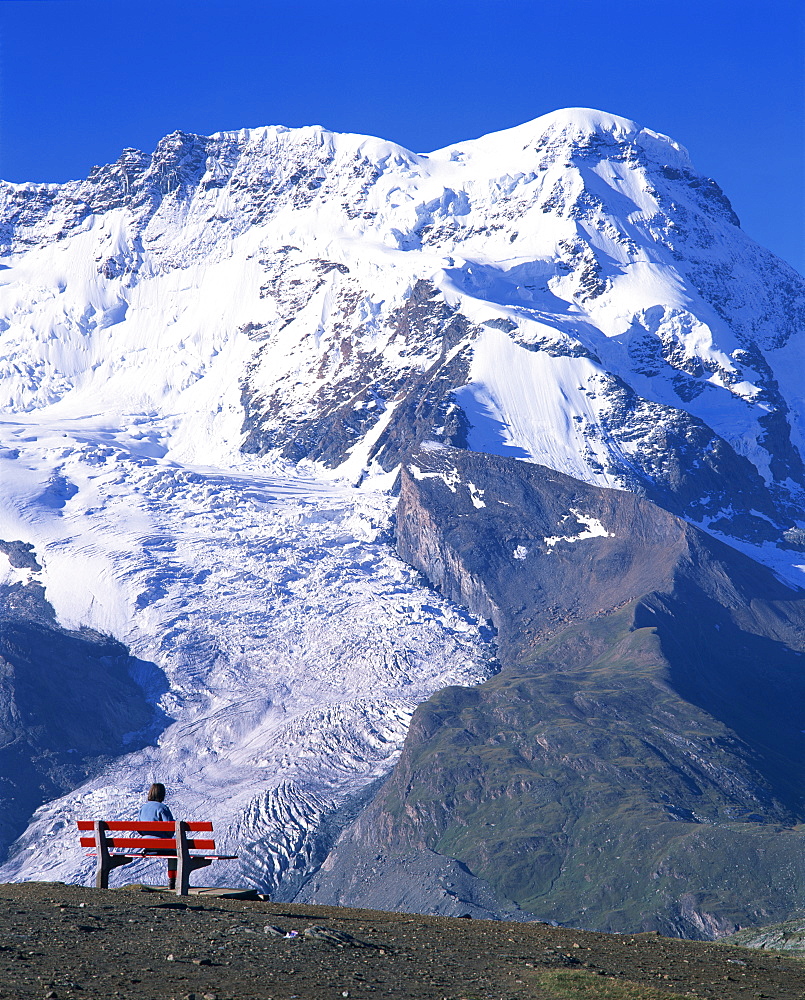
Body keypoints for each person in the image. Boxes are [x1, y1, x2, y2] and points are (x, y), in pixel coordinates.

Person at [138, 782, 177, 890]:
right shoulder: (162, 808)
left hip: (146, 844)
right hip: (161, 844)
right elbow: (170, 829)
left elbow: (140, 829)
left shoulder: (143, 808)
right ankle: (173, 881)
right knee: (177, 851)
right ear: (162, 794)